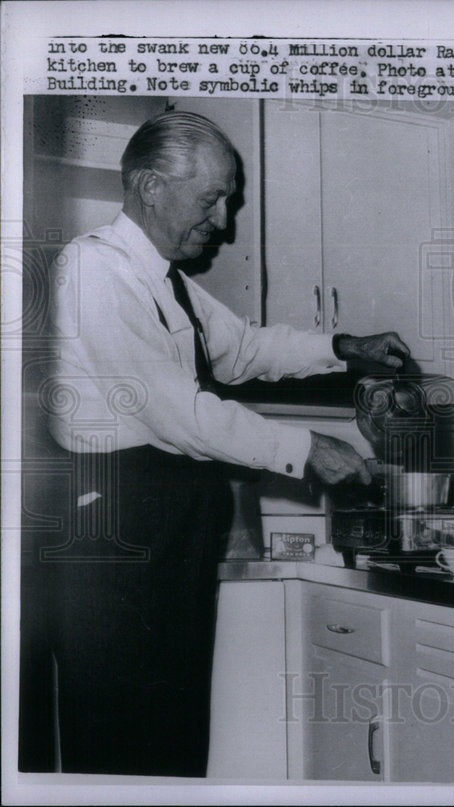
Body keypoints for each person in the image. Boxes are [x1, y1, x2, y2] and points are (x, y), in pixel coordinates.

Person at [34, 110, 410, 777]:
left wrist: (342, 347)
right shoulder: (93, 270)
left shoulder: (169, 284)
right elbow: (175, 410)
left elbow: (244, 348)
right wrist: (304, 446)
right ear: (151, 187)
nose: (224, 222)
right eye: (212, 200)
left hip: (168, 536)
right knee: (123, 751)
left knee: (174, 740)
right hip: (114, 540)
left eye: (228, 202)